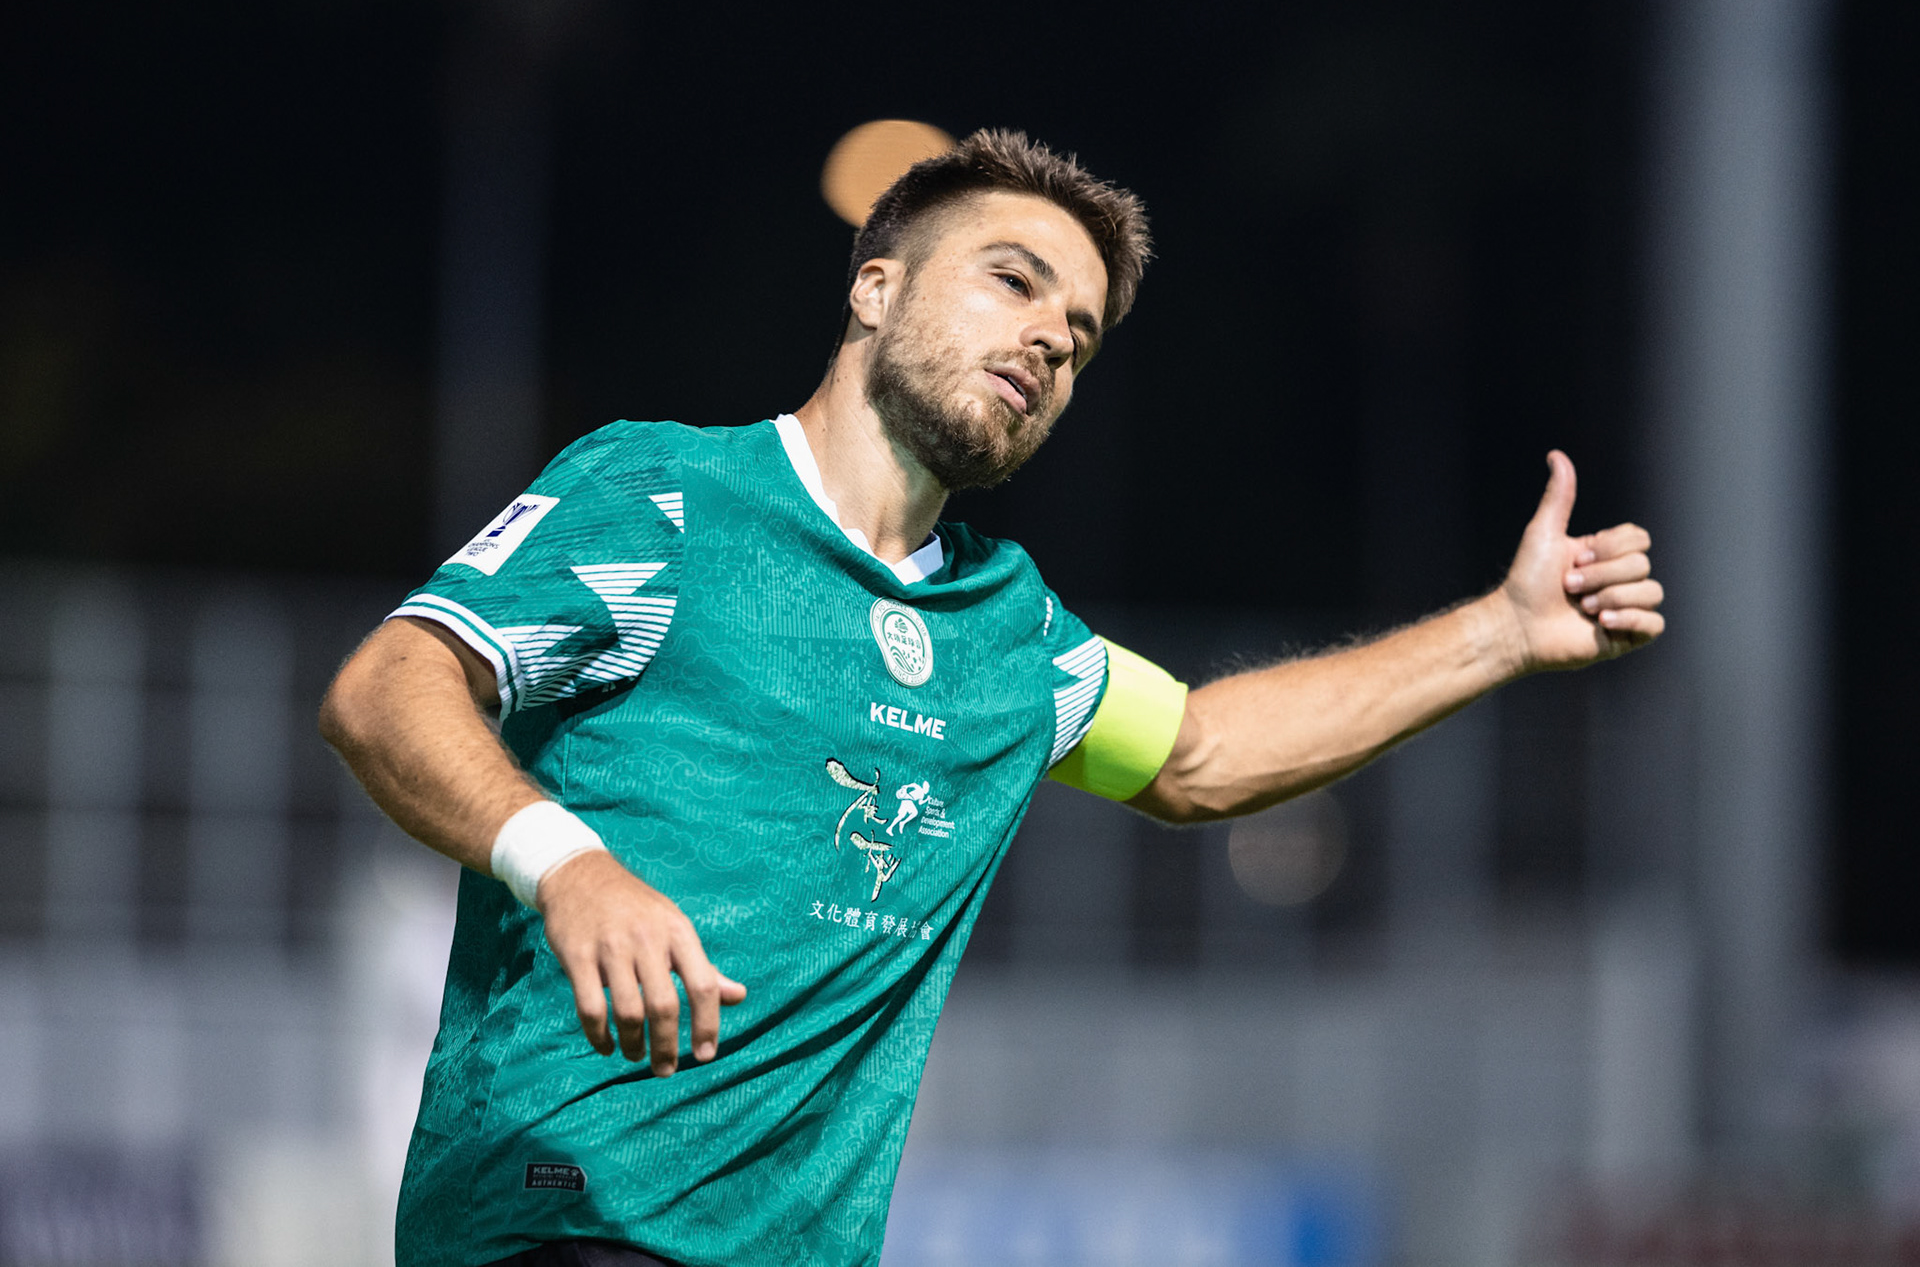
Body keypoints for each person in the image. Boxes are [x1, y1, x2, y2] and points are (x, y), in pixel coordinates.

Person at [319, 129, 1664, 1267]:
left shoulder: (1005, 631)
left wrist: (1498, 633)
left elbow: (1200, 753)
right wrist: (569, 867)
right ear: (876, 290)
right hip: (559, 1220)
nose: (1044, 342)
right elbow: (391, 686)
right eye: (1010, 282)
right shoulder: (669, 499)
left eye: (1075, 337)